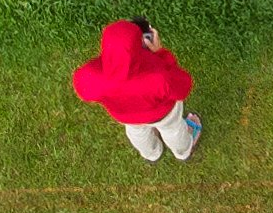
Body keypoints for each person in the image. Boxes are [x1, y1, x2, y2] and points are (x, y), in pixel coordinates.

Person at [72, 18, 201, 162]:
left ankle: (152, 154)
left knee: (137, 133)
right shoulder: (158, 75)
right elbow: (183, 87)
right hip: (162, 113)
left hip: (126, 115)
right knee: (172, 129)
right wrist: (160, 53)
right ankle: (183, 152)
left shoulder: (90, 76)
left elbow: (83, 90)